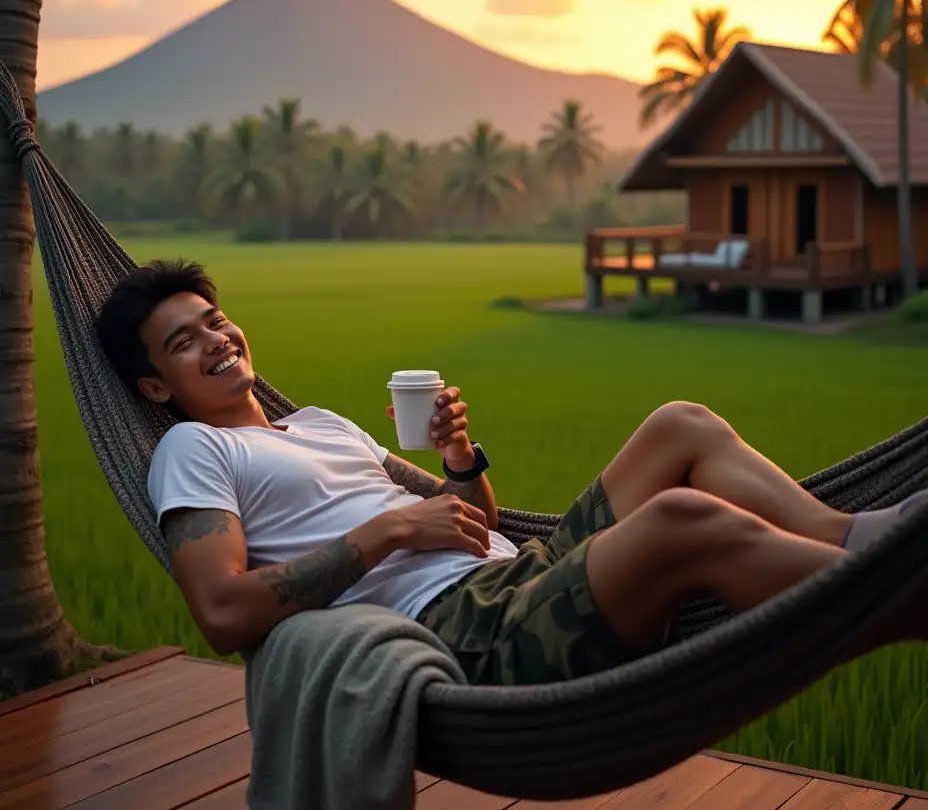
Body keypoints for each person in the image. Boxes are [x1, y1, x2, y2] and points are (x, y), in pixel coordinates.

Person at [95, 259, 925, 685]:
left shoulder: (319, 423)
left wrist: (459, 459)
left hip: (522, 576)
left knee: (681, 426)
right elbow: (221, 612)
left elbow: (472, 518)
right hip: (471, 632)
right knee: (677, 520)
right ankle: (897, 594)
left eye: (215, 320)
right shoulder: (192, 451)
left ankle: (861, 538)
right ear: (156, 387)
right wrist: (384, 530)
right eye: (184, 342)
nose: (216, 340)